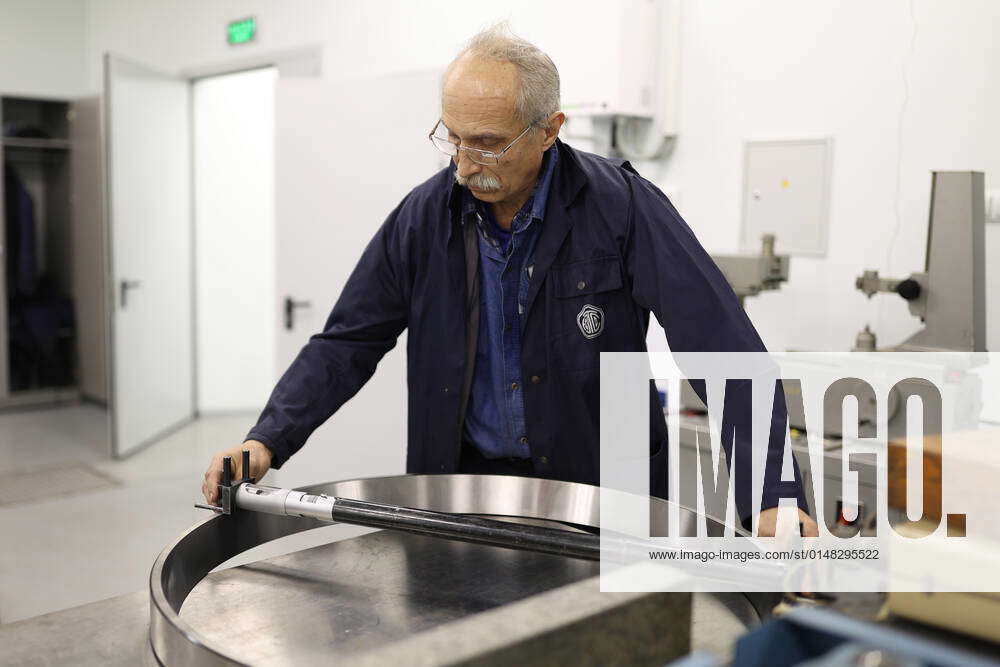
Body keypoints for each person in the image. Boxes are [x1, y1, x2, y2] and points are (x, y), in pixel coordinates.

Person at [202, 24, 819, 538]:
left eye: (488, 144)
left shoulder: (622, 209)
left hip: (601, 495)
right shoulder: (424, 217)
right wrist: (268, 438)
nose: (464, 164)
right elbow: (347, 341)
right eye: (453, 138)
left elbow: (719, 344)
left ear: (550, 130)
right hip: (462, 492)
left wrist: (774, 495)